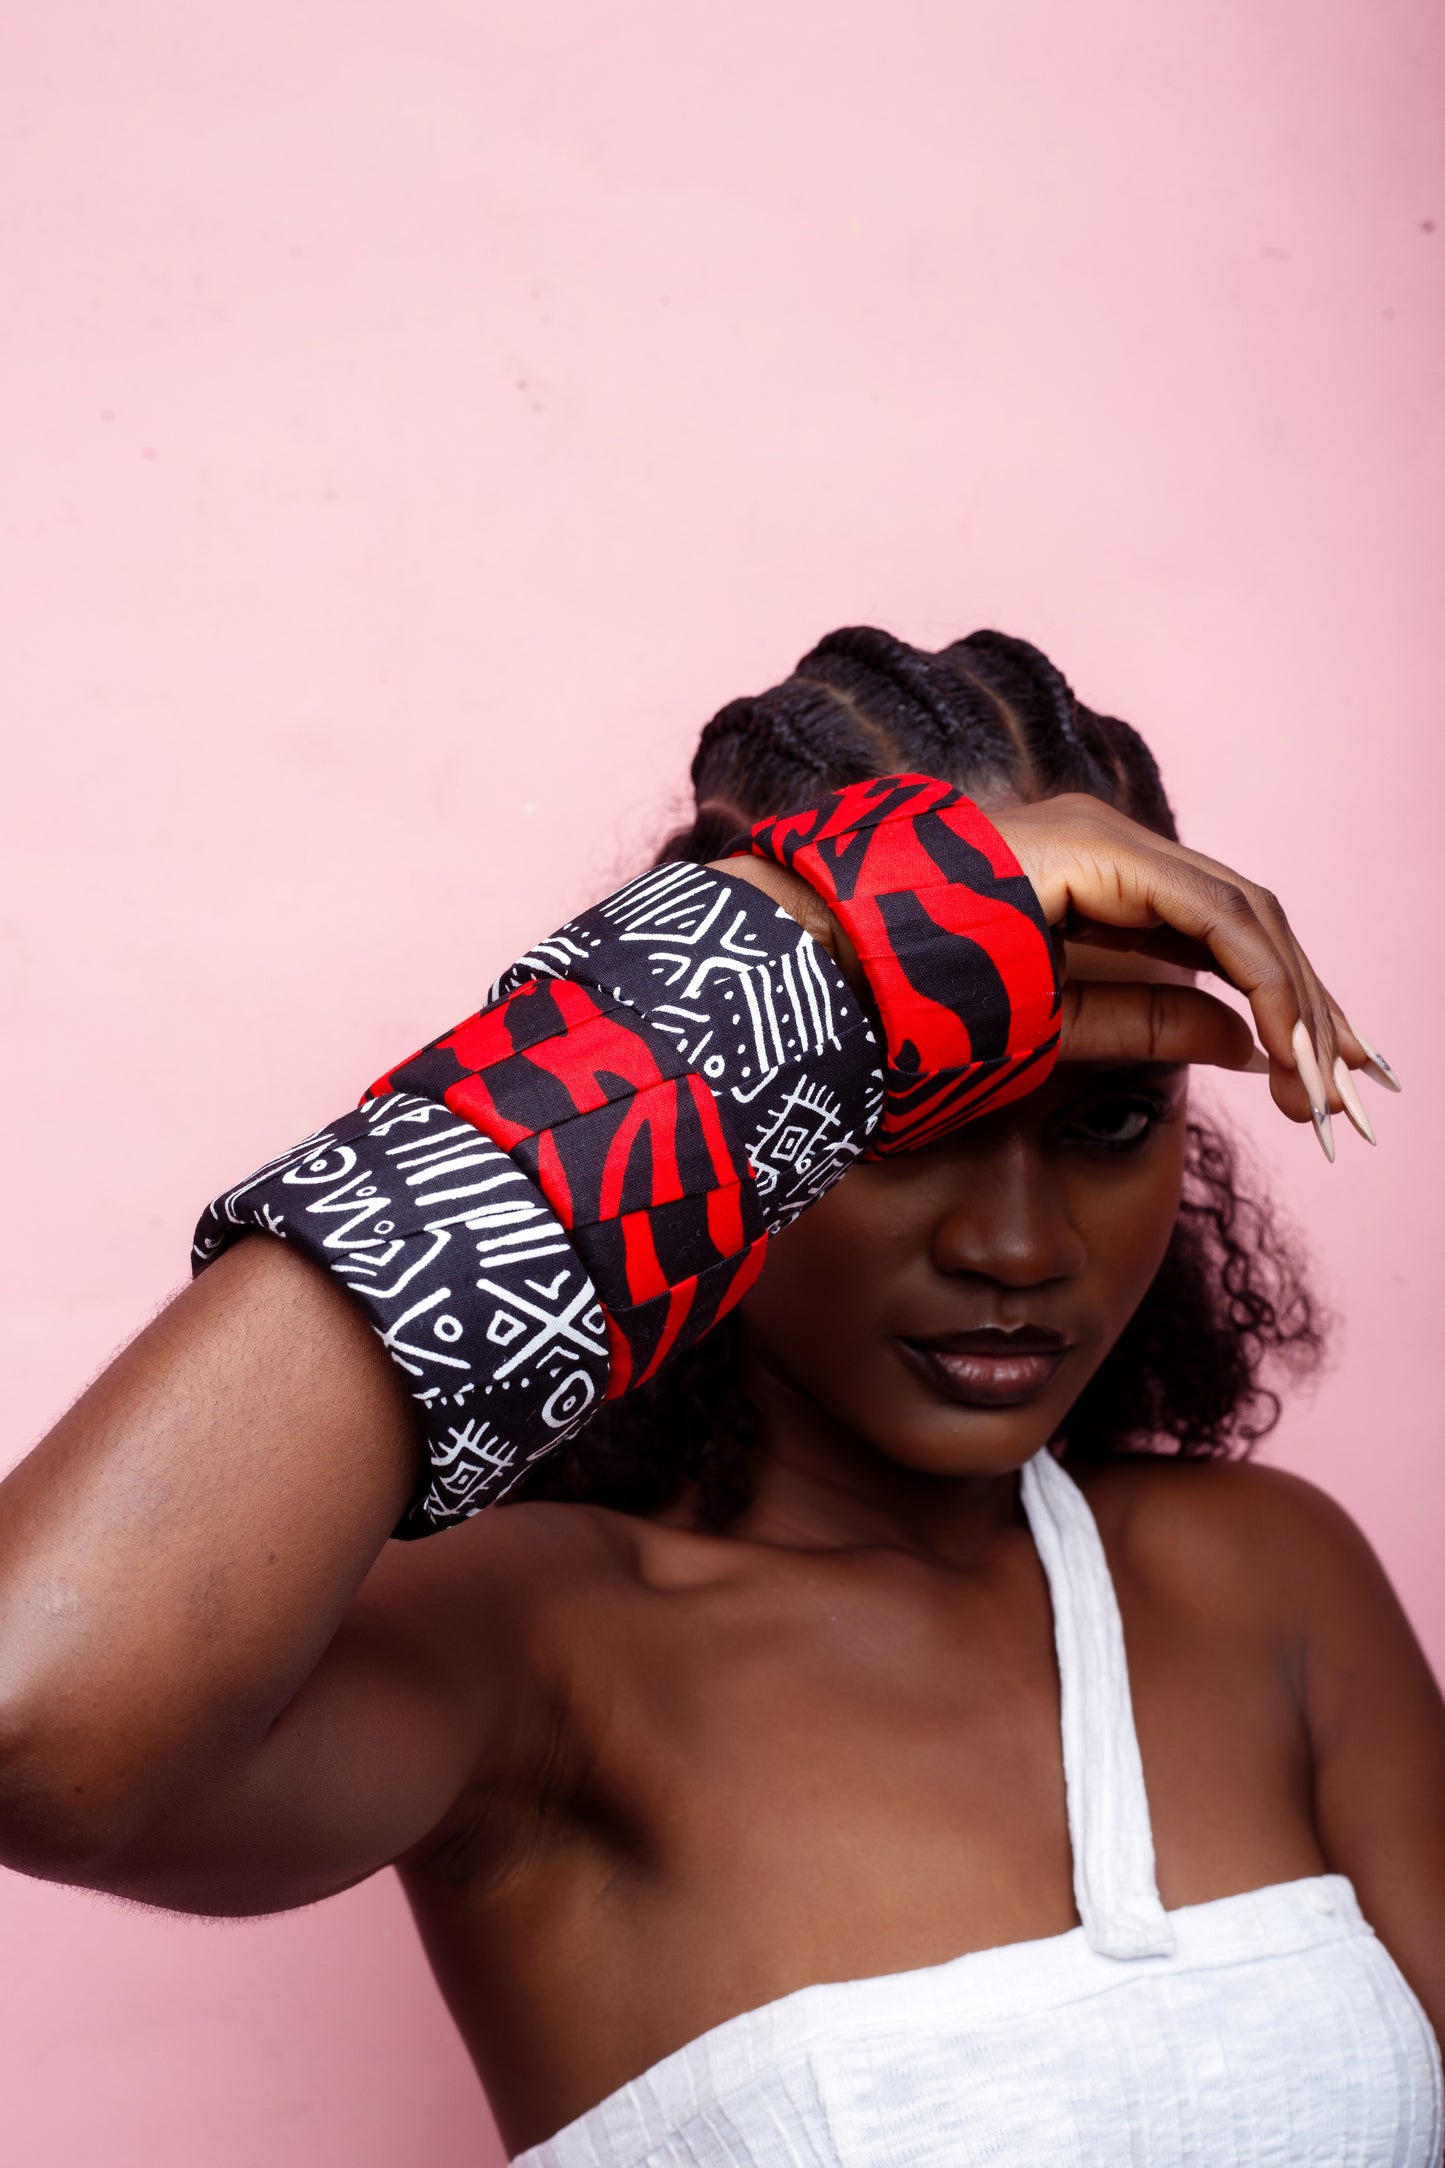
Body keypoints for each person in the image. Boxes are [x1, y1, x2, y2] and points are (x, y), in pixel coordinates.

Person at [0, 626, 1439, 2166]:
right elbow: (39, 1715)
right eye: (906, 1120)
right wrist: (770, 959)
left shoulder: (1264, 1582)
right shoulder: (544, 1651)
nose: (1014, 1245)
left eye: (1103, 1123)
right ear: (756, 1113)